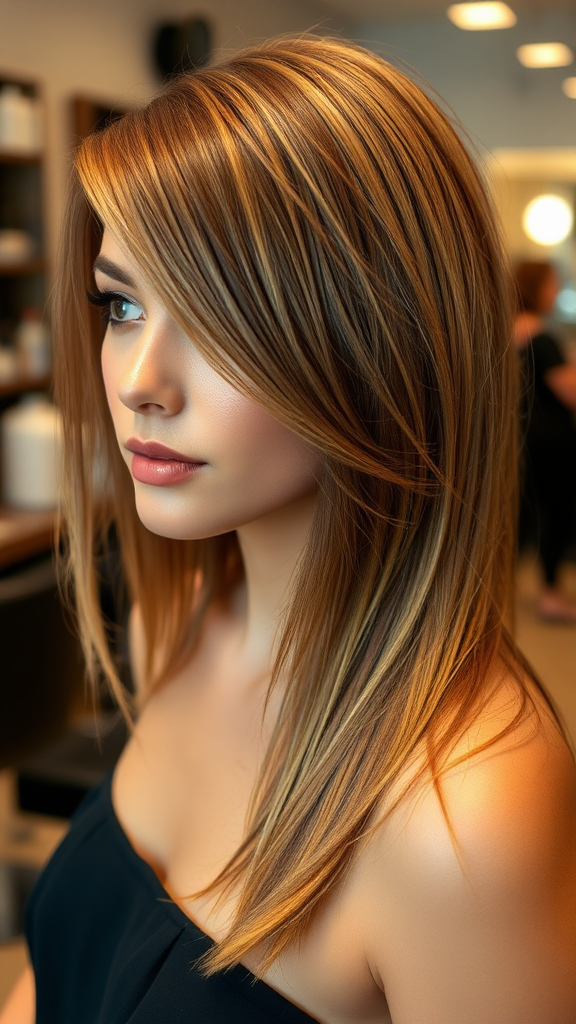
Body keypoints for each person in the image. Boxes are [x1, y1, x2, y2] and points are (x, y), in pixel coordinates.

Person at [2, 36, 576, 1024]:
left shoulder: (465, 818)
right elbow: (59, 972)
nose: (140, 383)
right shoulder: (173, 622)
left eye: (219, 318)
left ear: (387, 337)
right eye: (124, 303)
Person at [515, 260, 576, 623]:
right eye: (552, 284)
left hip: (524, 438)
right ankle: (551, 594)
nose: (555, 291)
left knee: (524, 514)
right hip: (554, 442)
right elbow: (569, 393)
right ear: (536, 288)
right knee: (557, 513)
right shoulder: (544, 338)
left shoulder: (510, 334)